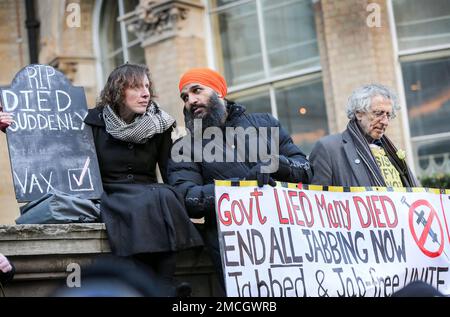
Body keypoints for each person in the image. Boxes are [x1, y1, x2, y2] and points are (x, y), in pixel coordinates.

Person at [0, 64, 203, 295]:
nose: (145, 93)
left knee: (165, 194)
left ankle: (164, 283)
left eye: (147, 86)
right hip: (112, 193)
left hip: (150, 192)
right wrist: (17, 132)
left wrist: (185, 199)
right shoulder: (92, 121)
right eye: (136, 87)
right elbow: (57, 148)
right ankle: (157, 287)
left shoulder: (161, 124)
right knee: (147, 200)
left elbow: (170, 170)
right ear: (118, 91)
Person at [167, 68, 312, 291]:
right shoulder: (184, 148)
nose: (191, 101)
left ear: (219, 92)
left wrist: (276, 163)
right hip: (236, 253)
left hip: (290, 242)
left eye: (197, 90)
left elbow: (305, 169)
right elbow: (188, 198)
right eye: (185, 97)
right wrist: (241, 186)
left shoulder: (265, 124)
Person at [309, 83, 419, 187]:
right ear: (359, 113)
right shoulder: (329, 149)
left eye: (388, 115)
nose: (385, 122)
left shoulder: (390, 150)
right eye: (378, 113)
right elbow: (319, 201)